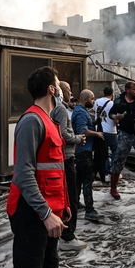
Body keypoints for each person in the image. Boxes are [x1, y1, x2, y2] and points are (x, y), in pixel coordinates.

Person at [0, 66, 70, 268]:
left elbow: (55, 171)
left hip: (50, 212)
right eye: (59, 84)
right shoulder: (32, 121)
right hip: (31, 213)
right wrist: (46, 213)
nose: (62, 89)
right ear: (51, 89)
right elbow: (24, 175)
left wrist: (64, 208)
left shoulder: (50, 121)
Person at [51, 81, 87, 251]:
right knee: (71, 198)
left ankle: (66, 232)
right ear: (62, 91)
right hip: (66, 159)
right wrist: (78, 139)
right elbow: (62, 134)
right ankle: (68, 236)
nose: (70, 93)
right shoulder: (60, 109)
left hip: (64, 158)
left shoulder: (59, 108)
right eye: (69, 91)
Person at [109, 81, 135, 201]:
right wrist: (115, 117)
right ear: (127, 90)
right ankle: (113, 188)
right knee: (118, 159)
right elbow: (110, 113)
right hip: (125, 133)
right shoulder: (118, 100)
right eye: (134, 89)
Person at [72, 89, 105, 221]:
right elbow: (82, 131)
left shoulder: (82, 111)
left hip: (83, 151)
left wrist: (96, 122)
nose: (93, 101)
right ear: (85, 99)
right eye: (92, 98)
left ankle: (75, 203)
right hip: (84, 151)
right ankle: (89, 210)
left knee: (78, 180)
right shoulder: (80, 112)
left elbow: (87, 125)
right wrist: (97, 134)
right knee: (87, 181)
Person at [93, 86, 117, 184]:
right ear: (112, 93)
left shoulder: (97, 101)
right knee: (116, 150)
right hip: (111, 131)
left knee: (104, 153)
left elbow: (95, 111)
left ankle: (106, 174)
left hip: (99, 131)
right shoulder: (112, 103)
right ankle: (113, 171)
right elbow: (115, 119)